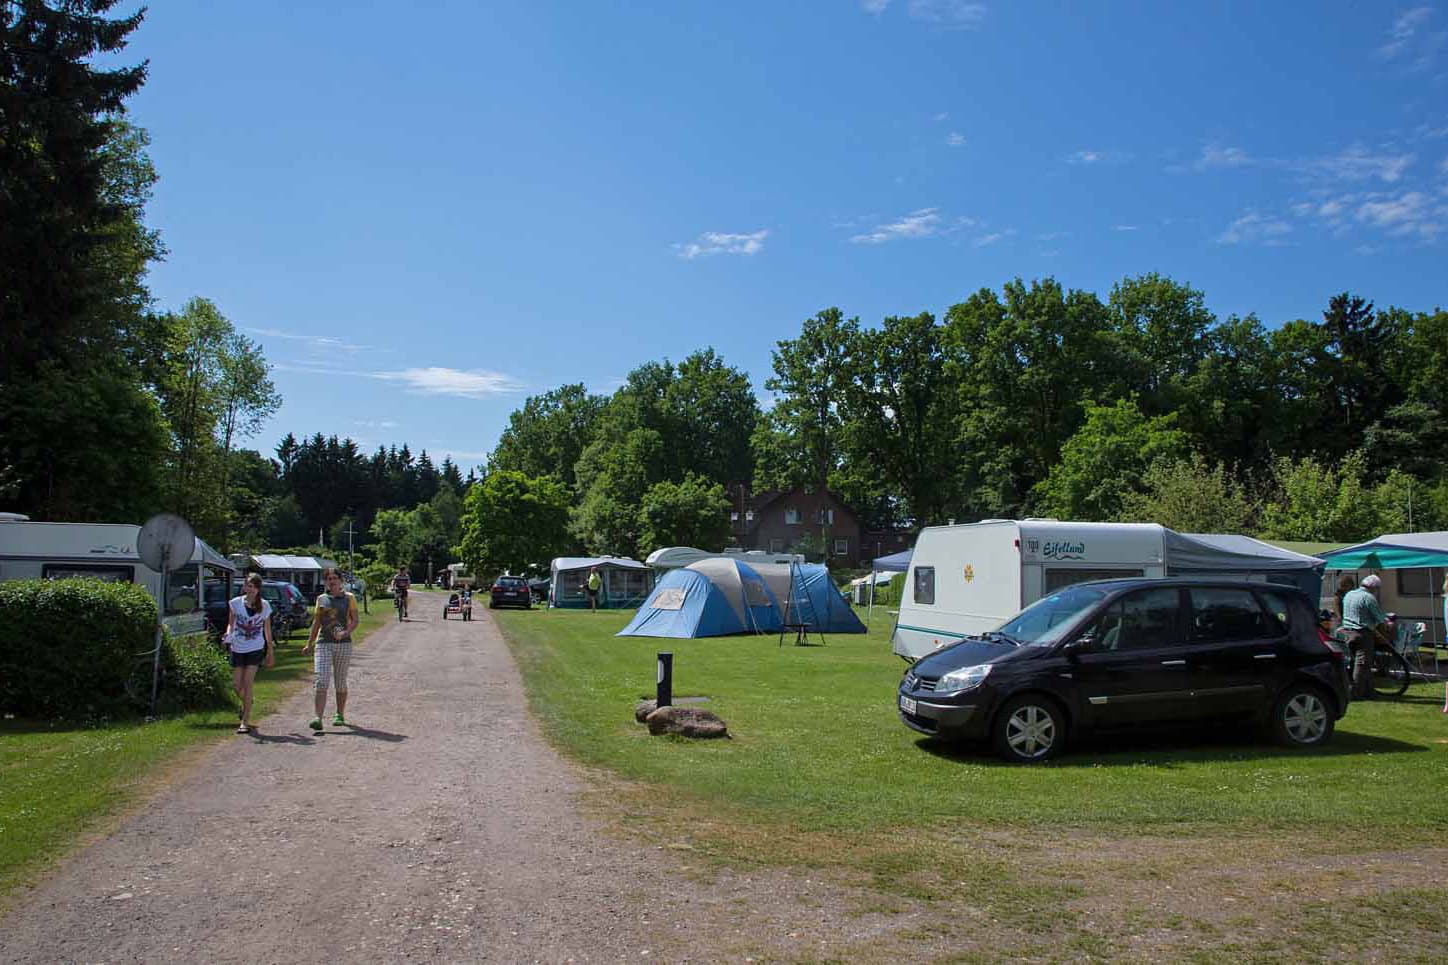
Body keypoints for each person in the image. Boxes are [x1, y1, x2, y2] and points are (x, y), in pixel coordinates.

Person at [303, 567, 360, 731]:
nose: (332, 581)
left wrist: (346, 632)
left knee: (340, 681)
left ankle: (339, 714)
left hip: (344, 644)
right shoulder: (321, 599)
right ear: (325, 581)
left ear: (340, 581)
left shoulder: (349, 598)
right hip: (324, 643)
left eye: (335, 578)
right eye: (329, 578)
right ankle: (318, 718)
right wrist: (309, 643)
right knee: (321, 680)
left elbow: (355, 620)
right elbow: (317, 622)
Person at [225, 573, 275, 733]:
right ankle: (247, 702)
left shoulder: (265, 606)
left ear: (258, 589)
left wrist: (270, 651)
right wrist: (228, 635)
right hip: (237, 647)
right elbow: (230, 624)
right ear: (245, 587)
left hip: (255, 648)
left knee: (248, 683)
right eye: (248, 586)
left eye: (253, 587)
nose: (250, 589)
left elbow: (267, 630)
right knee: (236, 685)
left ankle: (244, 721)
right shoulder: (235, 604)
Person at [1340, 574, 1390, 700]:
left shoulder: (1349, 595)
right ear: (1374, 588)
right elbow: (1379, 619)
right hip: (1362, 633)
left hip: (1347, 632)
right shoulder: (1369, 598)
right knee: (1362, 664)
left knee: (1352, 662)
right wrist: (1386, 634)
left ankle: (1367, 690)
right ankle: (1356, 693)